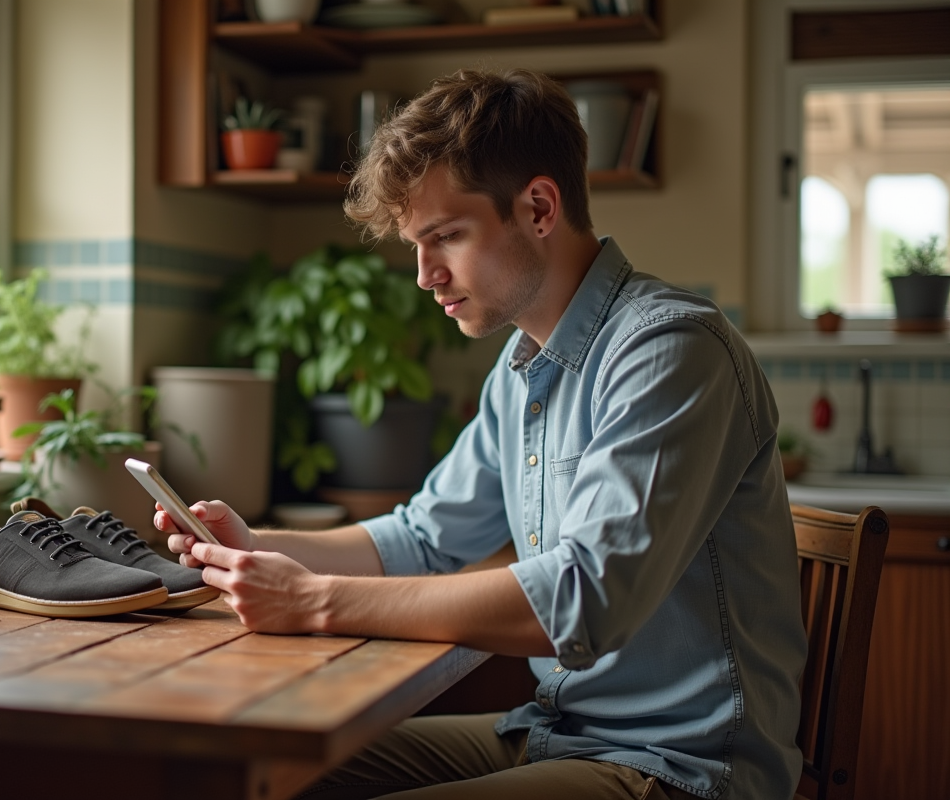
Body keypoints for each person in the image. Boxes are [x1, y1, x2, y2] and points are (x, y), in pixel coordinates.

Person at [156, 69, 806, 800]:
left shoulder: (670, 350)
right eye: (416, 244)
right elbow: (424, 538)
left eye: (446, 237)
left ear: (538, 208)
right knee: (254, 772)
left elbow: (585, 598)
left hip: (680, 767)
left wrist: (313, 600)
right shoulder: (522, 367)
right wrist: (258, 547)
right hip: (557, 730)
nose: (425, 275)